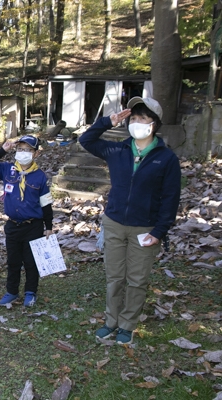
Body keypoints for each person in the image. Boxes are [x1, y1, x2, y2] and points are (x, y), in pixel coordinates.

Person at [79, 97, 181, 345]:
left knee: (136, 279)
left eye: (143, 118)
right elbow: (86, 140)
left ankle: (127, 324)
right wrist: (107, 122)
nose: (137, 123)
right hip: (114, 223)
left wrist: (159, 231)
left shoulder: (166, 158)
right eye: (133, 118)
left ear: (154, 124)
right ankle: (111, 320)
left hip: (145, 227)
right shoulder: (118, 150)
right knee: (115, 276)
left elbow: (170, 198)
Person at [0, 135, 54, 308]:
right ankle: (12, 291)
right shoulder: (8, 170)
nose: (23, 153)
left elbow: (46, 204)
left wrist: (49, 227)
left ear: (35, 154)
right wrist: (3, 150)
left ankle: (31, 292)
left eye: (28, 150)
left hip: (33, 225)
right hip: (13, 225)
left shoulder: (40, 176)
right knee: (13, 261)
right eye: (20, 149)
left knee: (31, 261)